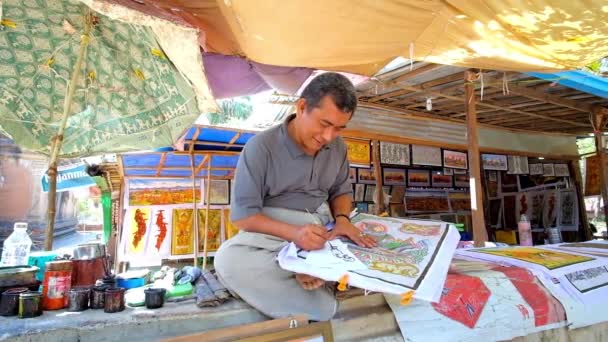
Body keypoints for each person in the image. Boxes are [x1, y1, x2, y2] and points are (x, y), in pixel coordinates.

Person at [214, 72, 376, 321]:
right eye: (324, 124)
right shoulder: (260, 148)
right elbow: (244, 217)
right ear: (302, 107)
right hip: (271, 235)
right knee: (228, 259)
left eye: (339, 129)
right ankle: (306, 277)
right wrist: (296, 235)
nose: (328, 137)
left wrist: (343, 219)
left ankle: (307, 270)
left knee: (372, 245)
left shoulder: (339, 147)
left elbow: (341, 191)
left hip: (323, 231)